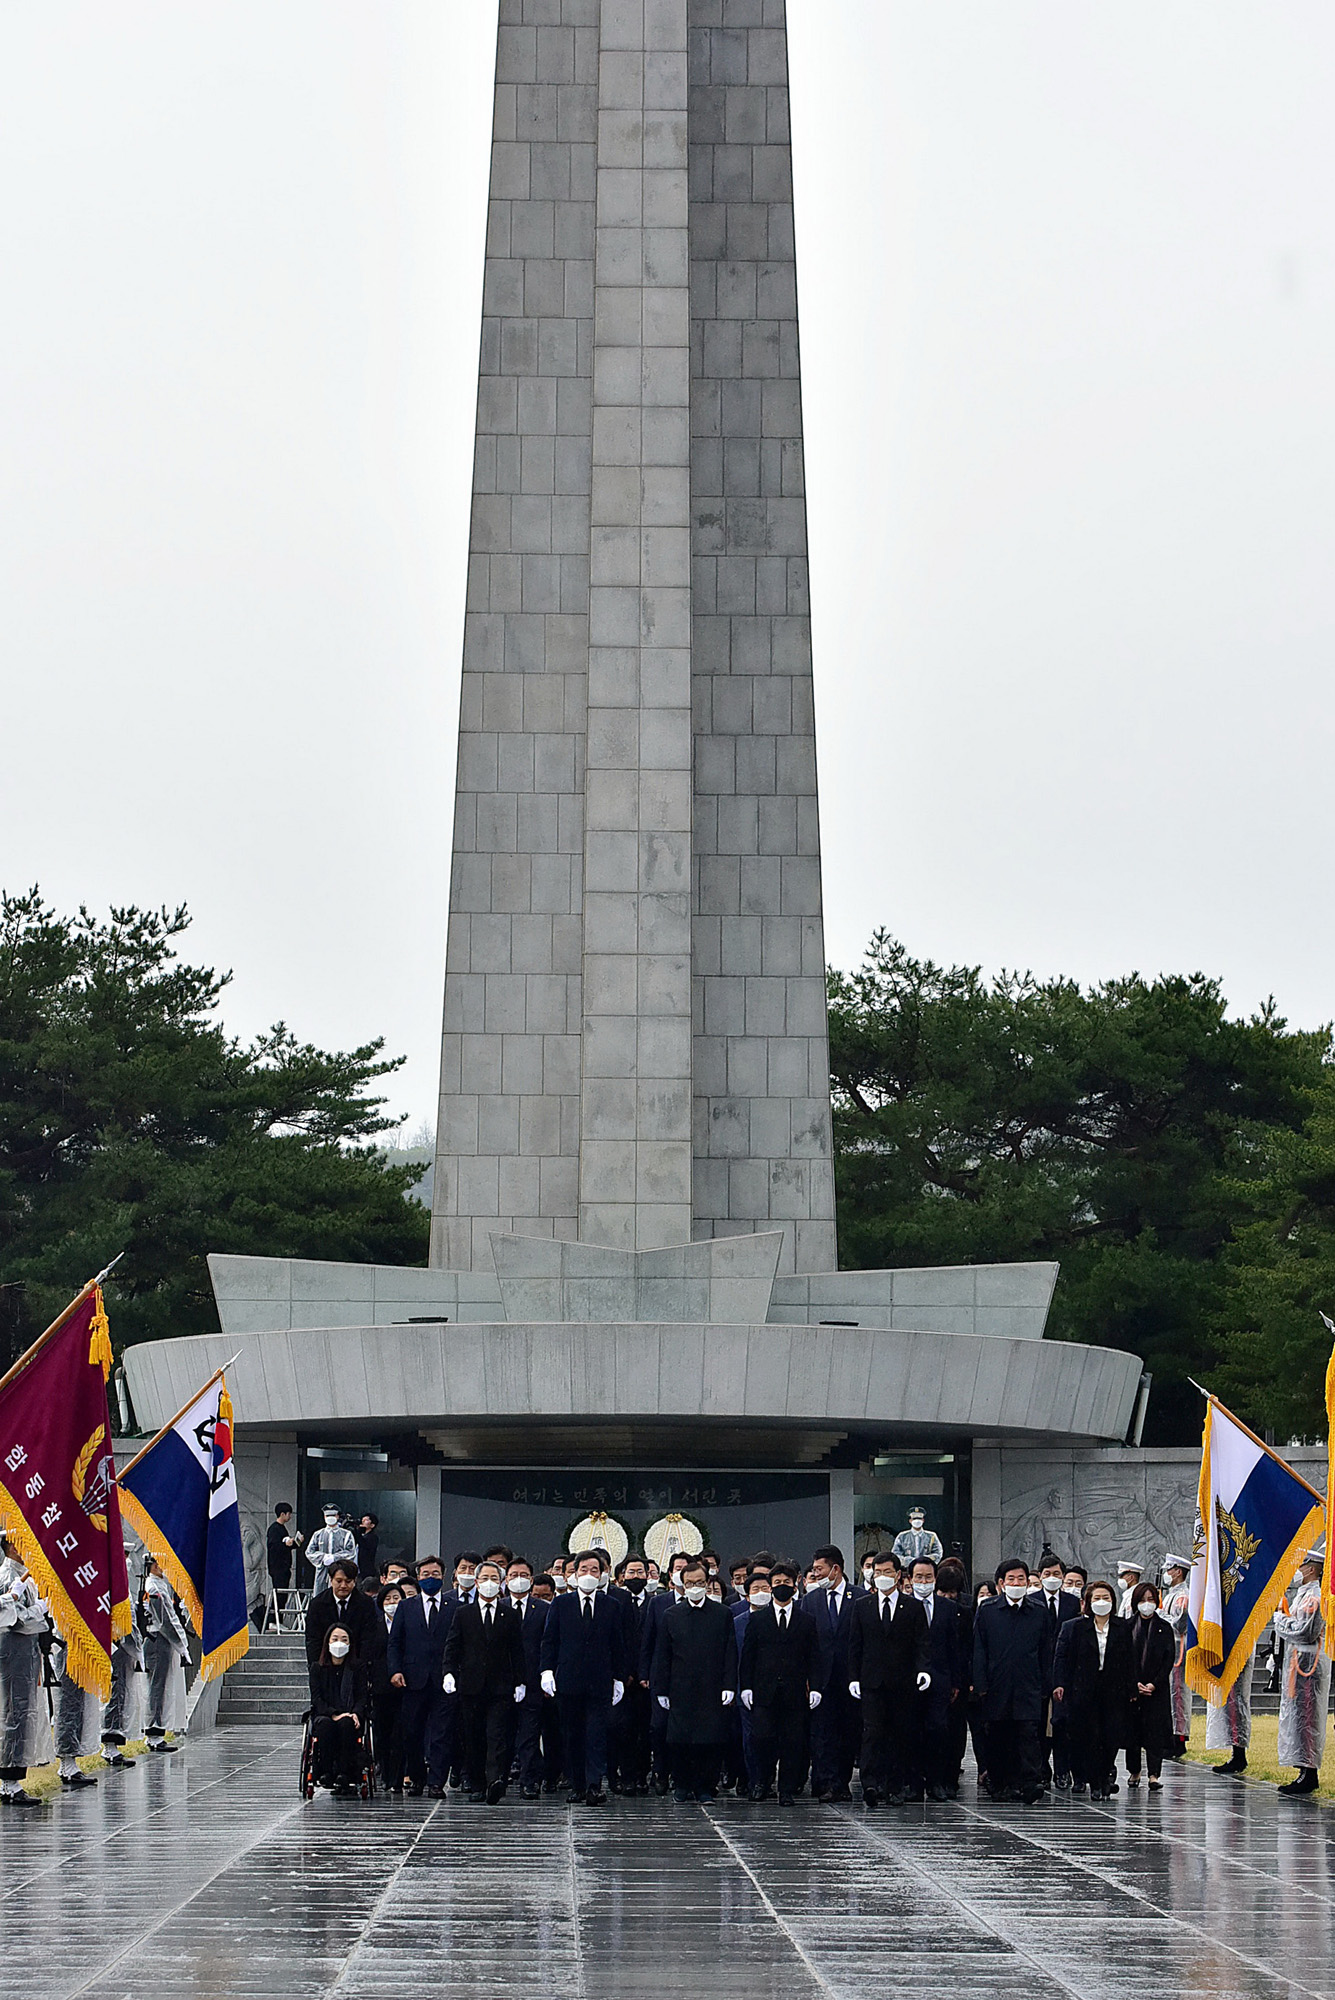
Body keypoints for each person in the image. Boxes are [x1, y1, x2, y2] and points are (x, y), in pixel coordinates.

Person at [540, 1549, 627, 1806]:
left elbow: (617, 1644)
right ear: (575, 1574)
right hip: (569, 1680)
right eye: (584, 1570)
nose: (589, 1574)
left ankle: (593, 1785)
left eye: (594, 1570)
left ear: (602, 1575)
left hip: (600, 1681)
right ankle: (577, 1785)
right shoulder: (561, 1604)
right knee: (572, 1734)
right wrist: (547, 1671)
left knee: (597, 1734)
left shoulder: (611, 1605)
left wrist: (619, 1678)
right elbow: (550, 1640)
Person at [650, 1555, 738, 1802]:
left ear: (707, 1582)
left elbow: (730, 1652)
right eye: (689, 1583)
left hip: (712, 1686)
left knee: (709, 1740)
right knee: (679, 1740)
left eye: (699, 1582)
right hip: (680, 1687)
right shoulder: (671, 1614)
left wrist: (729, 1685)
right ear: (682, 1583)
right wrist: (661, 1689)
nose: (695, 1587)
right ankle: (682, 1784)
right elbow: (663, 1655)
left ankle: (705, 1786)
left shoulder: (722, 1613)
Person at [847, 1552, 929, 1807]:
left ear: (898, 1574)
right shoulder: (863, 1605)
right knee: (872, 1733)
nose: (882, 1576)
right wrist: (853, 1677)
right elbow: (855, 1645)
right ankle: (871, 1784)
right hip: (872, 1682)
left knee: (899, 1734)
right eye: (878, 1572)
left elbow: (922, 1643)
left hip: (902, 1682)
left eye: (887, 1572)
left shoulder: (912, 1606)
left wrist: (923, 1670)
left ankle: (895, 1786)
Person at [738, 1560, 822, 1806]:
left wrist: (815, 1687)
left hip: (794, 1693)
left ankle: (786, 1789)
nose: (782, 1586)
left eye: (786, 1582)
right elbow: (748, 1657)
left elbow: (814, 1657)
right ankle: (761, 1783)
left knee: (792, 1742)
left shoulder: (807, 1620)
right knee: (761, 1739)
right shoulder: (758, 1619)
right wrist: (746, 1687)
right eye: (777, 1583)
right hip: (764, 1692)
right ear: (771, 1586)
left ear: (795, 1586)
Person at [442, 1558, 526, 1802]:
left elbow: (517, 1651)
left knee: (497, 1734)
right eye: (485, 1578)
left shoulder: (509, 1614)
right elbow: (452, 1646)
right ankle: (477, 1783)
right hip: (471, 1685)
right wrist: (448, 1672)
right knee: (473, 1735)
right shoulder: (463, 1613)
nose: (489, 1583)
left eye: (494, 1579)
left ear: (501, 1584)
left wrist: (520, 1682)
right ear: (477, 1583)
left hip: (501, 1686)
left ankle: (495, 1780)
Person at [972, 1558, 1053, 1804]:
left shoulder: (1038, 1611)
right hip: (996, 1684)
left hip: (1028, 1684)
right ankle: (999, 1783)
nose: (1016, 1583)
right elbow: (979, 1649)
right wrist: (980, 1683)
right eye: (1011, 1579)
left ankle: (1029, 1782)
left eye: (1021, 1579)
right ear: (1001, 1583)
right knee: (998, 1734)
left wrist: (1046, 1683)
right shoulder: (988, 1610)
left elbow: (1046, 1649)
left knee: (1028, 1734)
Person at [1052, 1581, 1132, 1800]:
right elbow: (1061, 1658)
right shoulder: (1074, 1627)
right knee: (1088, 1736)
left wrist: (1131, 1688)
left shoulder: (1122, 1627)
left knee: (1110, 1736)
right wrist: (1060, 1683)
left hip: (1113, 1690)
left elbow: (1129, 1659)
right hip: (1083, 1689)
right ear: (1087, 1602)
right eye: (1097, 1598)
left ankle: (1106, 1776)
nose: (1101, 1602)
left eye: (1106, 1598)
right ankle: (1094, 1781)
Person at [387, 1554, 456, 1797]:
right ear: (418, 1577)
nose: (430, 1578)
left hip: (445, 1680)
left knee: (441, 1733)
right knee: (412, 1732)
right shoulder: (407, 1606)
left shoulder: (455, 1606)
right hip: (413, 1679)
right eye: (425, 1574)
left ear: (443, 1576)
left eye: (435, 1574)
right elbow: (395, 1642)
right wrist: (395, 1670)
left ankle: (436, 1782)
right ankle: (417, 1778)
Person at [907, 1556, 967, 1800]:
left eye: (928, 1577)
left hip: (941, 1679)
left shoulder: (948, 1608)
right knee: (911, 1732)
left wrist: (956, 1681)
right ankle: (912, 1783)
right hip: (909, 1681)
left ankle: (936, 1782)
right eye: (919, 1577)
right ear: (910, 1579)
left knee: (938, 1730)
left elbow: (955, 1647)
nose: (923, 1582)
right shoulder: (903, 1605)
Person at [808, 1543, 863, 1803]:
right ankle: (826, 1781)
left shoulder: (859, 1598)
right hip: (821, 1680)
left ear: (836, 1569)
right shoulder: (811, 1600)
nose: (815, 1574)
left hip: (850, 1678)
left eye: (820, 1569)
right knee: (823, 1733)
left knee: (848, 1732)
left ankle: (842, 1782)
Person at [1273, 1546, 1329, 1798]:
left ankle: (1310, 1772)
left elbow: (1306, 1631)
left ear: (1311, 1569)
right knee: (1297, 1718)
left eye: (1301, 1565)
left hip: (1310, 1664)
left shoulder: (1315, 1597)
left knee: (1308, 1718)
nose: (1297, 1569)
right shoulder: (1302, 1595)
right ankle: (1302, 1768)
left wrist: (1281, 1621)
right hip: (1298, 1662)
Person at [0, 1547, 49, 1807]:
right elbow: (15, 1619)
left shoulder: (24, 1576)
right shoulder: (9, 1576)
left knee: (22, 1713)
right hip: (14, 1653)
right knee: (14, 1714)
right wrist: (39, 1609)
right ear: (11, 1546)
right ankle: (9, 1782)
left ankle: (13, 1779)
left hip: (25, 1654)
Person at [1033, 1550, 1082, 1787]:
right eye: (1047, 1574)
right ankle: (1042, 1769)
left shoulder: (1072, 1602)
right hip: (1039, 1671)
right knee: (1039, 1724)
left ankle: (1063, 1771)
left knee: (1062, 1725)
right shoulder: (1032, 1601)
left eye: (1056, 1573)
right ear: (1040, 1576)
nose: (1052, 1578)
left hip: (1065, 1672)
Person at [506, 1557, 553, 1798]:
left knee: (529, 1733)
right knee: (501, 1733)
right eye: (513, 1575)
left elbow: (549, 1644)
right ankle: (497, 1778)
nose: (518, 1580)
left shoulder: (543, 1609)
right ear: (506, 1579)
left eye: (523, 1575)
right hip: (502, 1682)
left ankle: (529, 1780)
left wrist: (546, 1675)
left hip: (533, 1681)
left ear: (531, 1579)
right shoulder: (499, 1607)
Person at [1124, 1582, 1175, 1789]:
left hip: (1156, 1690)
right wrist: (1133, 1683)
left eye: (1151, 1600)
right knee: (1133, 1732)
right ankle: (1134, 1771)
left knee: (1154, 1732)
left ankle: (1154, 1774)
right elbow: (1122, 1658)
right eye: (1143, 1600)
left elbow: (1168, 1659)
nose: (1147, 1604)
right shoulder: (1127, 1627)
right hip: (1132, 1689)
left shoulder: (1164, 1628)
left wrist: (1154, 1684)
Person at [308, 1622, 368, 1795]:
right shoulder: (317, 1668)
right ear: (328, 1642)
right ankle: (325, 1771)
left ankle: (345, 1772)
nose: (339, 1643)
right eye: (335, 1639)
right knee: (325, 1725)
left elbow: (362, 1696)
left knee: (347, 1724)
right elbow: (316, 1698)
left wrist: (356, 1713)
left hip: (350, 1713)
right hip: (326, 1713)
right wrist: (333, 1714)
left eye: (344, 1639)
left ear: (350, 1643)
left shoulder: (357, 1668)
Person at [611, 1556, 651, 1794]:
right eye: (631, 1572)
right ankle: (624, 1775)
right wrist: (623, 1673)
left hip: (646, 1679)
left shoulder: (655, 1603)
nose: (636, 1577)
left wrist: (645, 1672)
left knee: (644, 1730)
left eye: (640, 1572)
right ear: (622, 1576)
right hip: (622, 1679)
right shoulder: (615, 1600)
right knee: (622, 1729)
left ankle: (641, 1775)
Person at [141, 1559, 190, 1754]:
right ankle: (153, 1734)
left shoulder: (160, 1584)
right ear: (154, 1566)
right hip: (157, 1640)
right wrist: (181, 1645)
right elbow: (164, 1621)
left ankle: (157, 1731)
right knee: (157, 1686)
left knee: (161, 1686)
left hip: (162, 1641)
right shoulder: (153, 1587)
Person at [936, 1556, 973, 1795]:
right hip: (932, 1678)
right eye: (943, 1592)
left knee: (955, 1731)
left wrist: (962, 1681)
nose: (948, 1597)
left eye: (952, 1593)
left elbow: (966, 1648)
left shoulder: (965, 1613)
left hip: (956, 1679)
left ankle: (950, 1777)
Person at [305, 1559, 376, 1668]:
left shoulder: (366, 1603)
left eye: (348, 1581)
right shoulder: (317, 1604)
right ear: (331, 1580)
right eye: (339, 1581)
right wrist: (316, 1666)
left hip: (356, 1664)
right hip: (326, 1664)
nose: (343, 1585)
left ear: (355, 1581)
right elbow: (313, 1639)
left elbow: (368, 1638)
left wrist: (362, 1665)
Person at [369, 1582, 405, 1792]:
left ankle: (397, 1778)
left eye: (396, 1598)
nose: (392, 1603)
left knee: (399, 1733)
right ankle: (384, 1772)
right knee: (382, 1732)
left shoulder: (409, 1622)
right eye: (388, 1599)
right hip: (380, 1687)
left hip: (404, 1685)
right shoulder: (374, 1626)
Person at [1160, 1555, 1193, 1757]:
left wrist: (1160, 1616)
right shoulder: (1171, 1595)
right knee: (1171, 1694)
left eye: (1169, 1570)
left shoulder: (1183, 1596)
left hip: (1179, 1649)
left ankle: (1179, 1738)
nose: (1166, 1574)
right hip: (1169, 1649)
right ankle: (1170, 1734)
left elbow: (1179, 1623)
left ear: (1178, 1571)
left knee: (1179, 1693)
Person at [1206, 1644, 1255, 1776]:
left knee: (1236, 1706)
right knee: (1231, 1706)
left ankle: (1239, 1755)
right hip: (1230, 1652)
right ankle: (1237, 1754)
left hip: (1237, 1651)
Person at [306, 1507, 357, 1599]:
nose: (330, 1517)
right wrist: (322, 1557)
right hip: (322, 1571)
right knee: (320, 1596)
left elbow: (351, 1552)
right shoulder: (318, 1534)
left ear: (337, 1516)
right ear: (324, 1517)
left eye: (333, 1515)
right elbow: (309, 1552)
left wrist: (335, 1558)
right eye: (328, 1515)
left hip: (341, 1571)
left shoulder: (346, 1534)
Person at [266, 1503, 303, 1619]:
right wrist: (285, 1544)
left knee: (283, 1594)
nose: (290, 1516)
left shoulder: (282, 1528)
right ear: (282, 1514)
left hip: (284, 1567)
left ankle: (278, 1620)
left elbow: (286, 1547)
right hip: (278, 1567)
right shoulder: (274, 1529)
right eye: (288, 1514)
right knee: (279, 1594)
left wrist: (296, 1543)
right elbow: (274, 1547)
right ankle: (274, 1620)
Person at [356, 1514, 380, 1581]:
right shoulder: (362, 1535)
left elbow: (365, 1546)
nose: (363, 1522)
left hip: (367, 1567)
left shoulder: (373, 1537)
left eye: (366, 1520)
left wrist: (358, 1532)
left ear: (372, 1525)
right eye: (362, 1520)